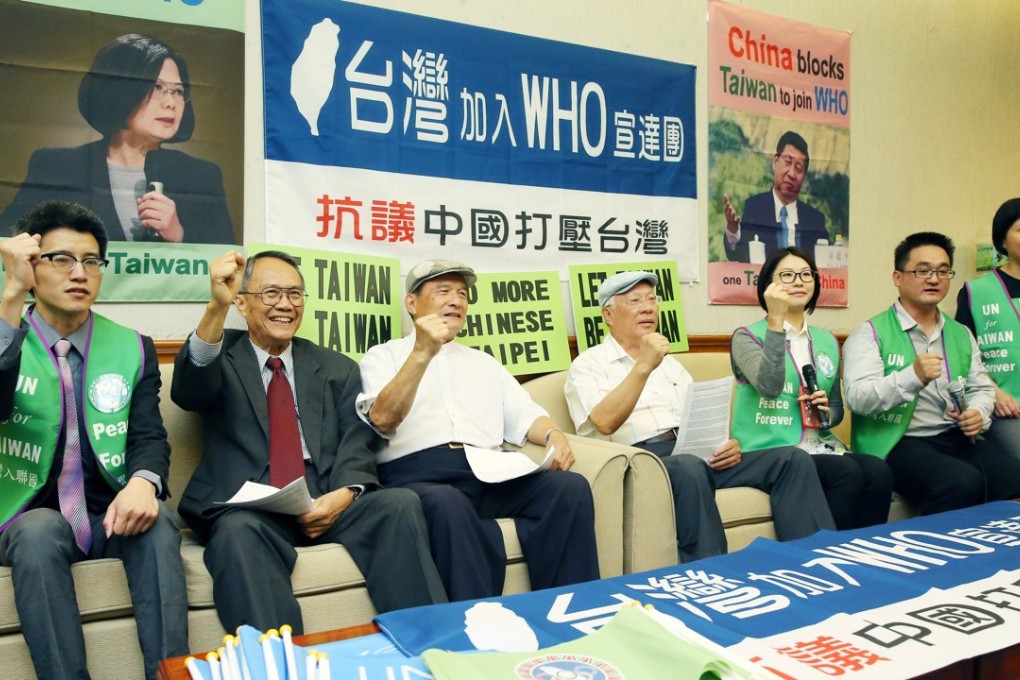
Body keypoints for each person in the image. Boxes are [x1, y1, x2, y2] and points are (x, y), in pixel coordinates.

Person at [172, 250, 446, 633]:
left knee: (397, 504)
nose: (285, 304)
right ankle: (280, 664)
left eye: (295, 294)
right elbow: (190, 391)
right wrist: (215, 308)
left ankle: (431, 643)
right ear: (241, 302)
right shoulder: (222, 354)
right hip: (250, 506)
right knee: (236, 534)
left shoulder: (335, 367)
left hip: (322, 494)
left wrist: (346, 493)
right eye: (270, 294)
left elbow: (356, 441)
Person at [0, 200, 187, 679]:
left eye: (91, 261)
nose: (78, 273)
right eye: (60, 259)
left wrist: (145, 482)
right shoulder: (5, 335)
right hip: (24, 516)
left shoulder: (131, 347)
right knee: (39, 530)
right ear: (32, 266)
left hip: (106, 515)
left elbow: (149, 434)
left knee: (159, 523)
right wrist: (10, 297)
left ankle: (169, 674)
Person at [356, 259, 599, 601]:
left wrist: (553, 436)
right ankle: (476, 622)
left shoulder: (483, 363)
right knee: (448, 504)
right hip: (418, 474)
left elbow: (526, 415)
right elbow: (382, 418)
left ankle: (568, 609)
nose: (456, 300)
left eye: (462, 293)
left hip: (487, 470)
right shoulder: (383, 357)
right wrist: (422, 353)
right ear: (412, 303)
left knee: (568, 488)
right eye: (443, 291)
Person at [565, 270, 834, 563]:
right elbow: (604, 422)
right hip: (639, 460)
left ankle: (815, 560)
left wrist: (725, 444)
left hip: (691, 452)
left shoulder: (672, 366)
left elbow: (696, 419)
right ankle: (714, 573)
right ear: (608, 314)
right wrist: (643, 365)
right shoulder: (588, 364)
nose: (647, 308)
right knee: (690, 467)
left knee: (790, 460)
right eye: (634, 301)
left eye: (652, 300)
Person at [843, 232, 1020, 515]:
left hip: (953, 435)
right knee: (960, 483)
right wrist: (911, 377)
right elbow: (857, 397)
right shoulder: (870, 333)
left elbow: (982, 388)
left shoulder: (960, 333)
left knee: (1013, 477)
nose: (934, 279)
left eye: (942, 271)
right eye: (922, 271)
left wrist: (978, 413)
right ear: (897, 277)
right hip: (899, 442)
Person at [0, 34, 234, 244]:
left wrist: (179, 236)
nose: (171, 103)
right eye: (156, 87)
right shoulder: (56, 166)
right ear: (119, 91)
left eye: (178, 91)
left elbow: (228, 265)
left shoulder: (203, 176)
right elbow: (9, 241)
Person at [730, 247, 893, 530]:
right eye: (788, 275)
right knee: (846, 472)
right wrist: (776, 320)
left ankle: (865, 553)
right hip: (771, 451)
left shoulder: (827, 340)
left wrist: (825, 412)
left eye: (806, 274)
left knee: (878, 471)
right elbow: (769, 386)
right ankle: (830, 554)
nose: (799, 281)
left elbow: (836, 410)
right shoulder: (746, 337)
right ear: (768, 284)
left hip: (819, 446)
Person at [955, 198, 1020, 461]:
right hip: (1005, 407)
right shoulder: (976, 292)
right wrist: (994, 392)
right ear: (1002, 240)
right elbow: (962, 354)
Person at [723, 131, 829, 263]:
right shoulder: (755, 208)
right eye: (787, 162)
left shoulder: (815, 220)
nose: (791, 173)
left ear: (804, 177)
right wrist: (732, 229)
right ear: (775, 161)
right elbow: (738, 256)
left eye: (798, 168)